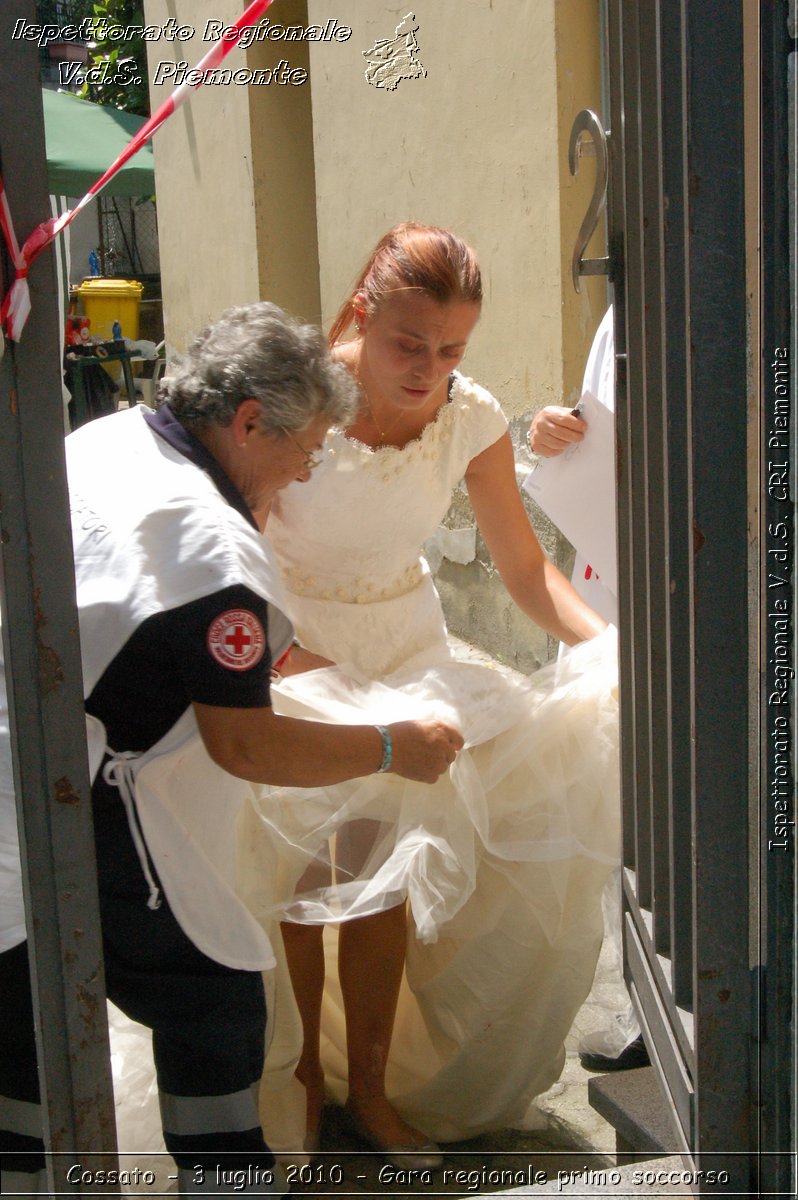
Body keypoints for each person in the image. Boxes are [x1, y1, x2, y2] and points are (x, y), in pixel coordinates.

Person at [0, 302, 463, 1197]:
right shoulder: (217, 552)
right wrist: (388, 746)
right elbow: (246, 744)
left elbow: (148, 617)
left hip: (22, 751)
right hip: (73, 803)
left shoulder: (107, 438)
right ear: (249, 422)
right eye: (306, 448)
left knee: (22, 1038)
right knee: (211, 1006)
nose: (303, 473)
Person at [243, 225, 621, 1163]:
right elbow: (235, 553)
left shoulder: (469, 412)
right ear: (362, 316)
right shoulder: (294, 397)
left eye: (451, 349)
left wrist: (611, 648)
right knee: (292, 876)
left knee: (380, 875)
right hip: (287, 655)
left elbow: (528, 573)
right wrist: (283, 667)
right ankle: (293, 1076)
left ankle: (370, 1090)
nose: (429, 369)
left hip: (406, 649)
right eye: (409, 344)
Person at [527, 303, 648, 1072]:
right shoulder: (627, 303)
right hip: (617, 575)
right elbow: (593, 415)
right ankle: (652, 1005)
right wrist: (555, 431)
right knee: (626, 791)